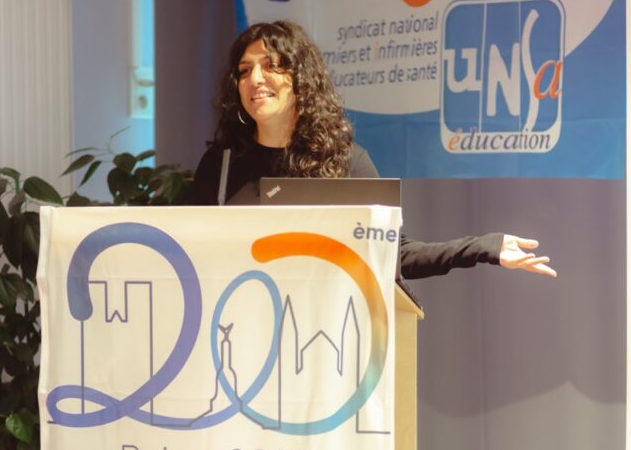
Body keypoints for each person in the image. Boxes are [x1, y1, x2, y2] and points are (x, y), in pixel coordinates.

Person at [189, 20, 556, 281]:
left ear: (302, 79)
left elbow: (393, 254)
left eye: (271, 66)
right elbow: (185, 247)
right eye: (244, 70)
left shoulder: (344, 162)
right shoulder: (221, 165)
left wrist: (482, 248)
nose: (254, 79)